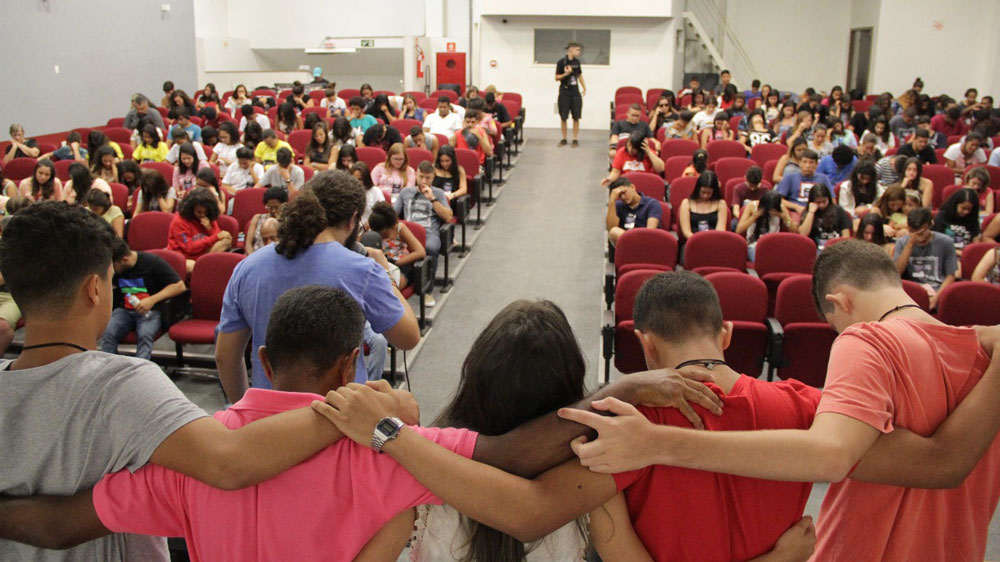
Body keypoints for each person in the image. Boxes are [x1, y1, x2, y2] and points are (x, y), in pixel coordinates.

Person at [562, 239, 1000, 562]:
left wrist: (651, 436)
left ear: (645, 344)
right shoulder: (807, 408)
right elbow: (936, 461)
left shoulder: (616, 427)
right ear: (728, 334)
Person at [0, 202, 381, 561]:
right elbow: (229, 461)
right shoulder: (119, 385)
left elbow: (55, 526)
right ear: (94, 289)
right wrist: (362, 412)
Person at [216, 170, 420, 399]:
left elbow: (226, 356)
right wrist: (384, 271)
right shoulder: (362, 269)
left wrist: (245, 410)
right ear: (352, 219)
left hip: (269, 418)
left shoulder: (247, 267)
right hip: (340, 416)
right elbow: (408, 337)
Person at [97, 237, 185, 359]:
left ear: (124, 260)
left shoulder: (152, 263)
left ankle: (140, 372)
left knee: (144, 335)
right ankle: (108, 369)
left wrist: (152, 300)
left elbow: (179, 286)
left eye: (113, 266)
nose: (110, 270)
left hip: (151, 310)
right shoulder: (115, 269)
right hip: (125, 310)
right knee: (108, 333)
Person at [395, 162, 452, 307]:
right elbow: (394, 215)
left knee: (431, 248)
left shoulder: (438, 193)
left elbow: (448, 217)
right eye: (421, 177)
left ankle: (427, 290)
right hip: (407, 232)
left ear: (433, 178)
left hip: (429, 233)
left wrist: (432, 199)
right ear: (416, 174)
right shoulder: (405, 192)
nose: (424, 181)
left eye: (428, 178)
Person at [895, 207, 957, 307]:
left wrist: (936, 298)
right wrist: (910, 244)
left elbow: (951, 275)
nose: (920, 237)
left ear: (930, 225)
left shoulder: (946, 242)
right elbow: (897, 273)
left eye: (923, 232)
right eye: (914, 232)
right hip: (912, 292)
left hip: (938, 290)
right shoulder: (902, 243)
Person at [167, 187, 233, 272]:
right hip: (184, 257)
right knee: (192, 266)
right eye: (199, 212)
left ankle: (204, 264)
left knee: (226, 240)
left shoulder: (208, 217)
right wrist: (215, 237)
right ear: (191, 209)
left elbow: (219, 236)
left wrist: (210, 229)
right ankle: (204, 267)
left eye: (205, 212)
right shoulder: (179, 221)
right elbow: (189, 248)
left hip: (202, 254)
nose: (202, 215)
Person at [368, 202, 426, 290]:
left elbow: (420, 252)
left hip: (401, 265)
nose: (379, 236)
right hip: (380, 265)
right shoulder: (372, 228)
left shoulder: (399, 228)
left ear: (390, 226)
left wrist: (397, 263)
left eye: (382, 233)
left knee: (391, 288)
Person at [737, 190, 797, 261]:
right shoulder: (751, 206)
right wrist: (754, 216)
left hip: (774, 245)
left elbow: (795, 232)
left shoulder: (781, 208)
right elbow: (739, 230)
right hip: (754, 245)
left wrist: (784, 217)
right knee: (762, 260)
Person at [605, 177, 662, 246]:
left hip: (647, 242)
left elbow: (650, 231)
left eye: (624, 192)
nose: (623, 197)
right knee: (614, 231)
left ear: (632, 187)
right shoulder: (618, 205)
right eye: (620, 195)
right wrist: (612, 201)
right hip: (627, 243)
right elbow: (611, 228)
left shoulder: (652, 204)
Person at [775, 149, 832, 213]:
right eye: (805, 162)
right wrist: (796, 207)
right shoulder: (790, 177)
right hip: (795, 212)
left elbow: (832, 200)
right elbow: (779, 200)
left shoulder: (823, 178)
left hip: (819, 211)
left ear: (817, 164)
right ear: (799, 163)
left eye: (811, 162)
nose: (807, 166)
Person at [678, 171, 728, 242]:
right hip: (692, 241)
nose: (705, 196)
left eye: (709, 193)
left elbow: (720, 230)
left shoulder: (721, 203)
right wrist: (700, 242)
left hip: (714, 241)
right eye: (703, 192)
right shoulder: (687, 203)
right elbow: (686, 232)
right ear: (698, 189)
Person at [798, 184, 851, 250]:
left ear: (828, 199)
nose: (821, 205)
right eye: (818, 202)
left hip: (837, 248)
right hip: (816, 249)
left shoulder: (838, 210)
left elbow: (846, 234)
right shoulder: (807, 212)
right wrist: (811, 212)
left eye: (824, 201)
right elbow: (803, 234)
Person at [932, 188, 981, 257]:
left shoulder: (972, 219)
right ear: (955, 204)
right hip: (946, 254)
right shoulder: (941, 216)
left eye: (969, 209)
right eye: (963, 208)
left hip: (966, 255)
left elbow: (976, 241)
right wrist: (959, 253)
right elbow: (937, 242)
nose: (966, 212)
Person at [555, 42, 585, 147]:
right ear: (571, 49)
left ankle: (575, 139)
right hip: (564, 91)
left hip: (575, 92)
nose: (579, 52)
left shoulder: (577, 62)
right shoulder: (561, 62)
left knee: (576, 116)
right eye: (577, 50)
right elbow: (556, 77)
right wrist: (566, 74)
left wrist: (584, 87)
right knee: (563, 116)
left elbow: (580, 75)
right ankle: (564, 138)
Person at [245, 187, 287, 256]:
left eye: (276, 207)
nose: (273, 211)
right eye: (270, 207)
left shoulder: (287, 220)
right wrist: (252, 257)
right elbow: (248, 243)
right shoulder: (257, 218)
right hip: (256, 255)